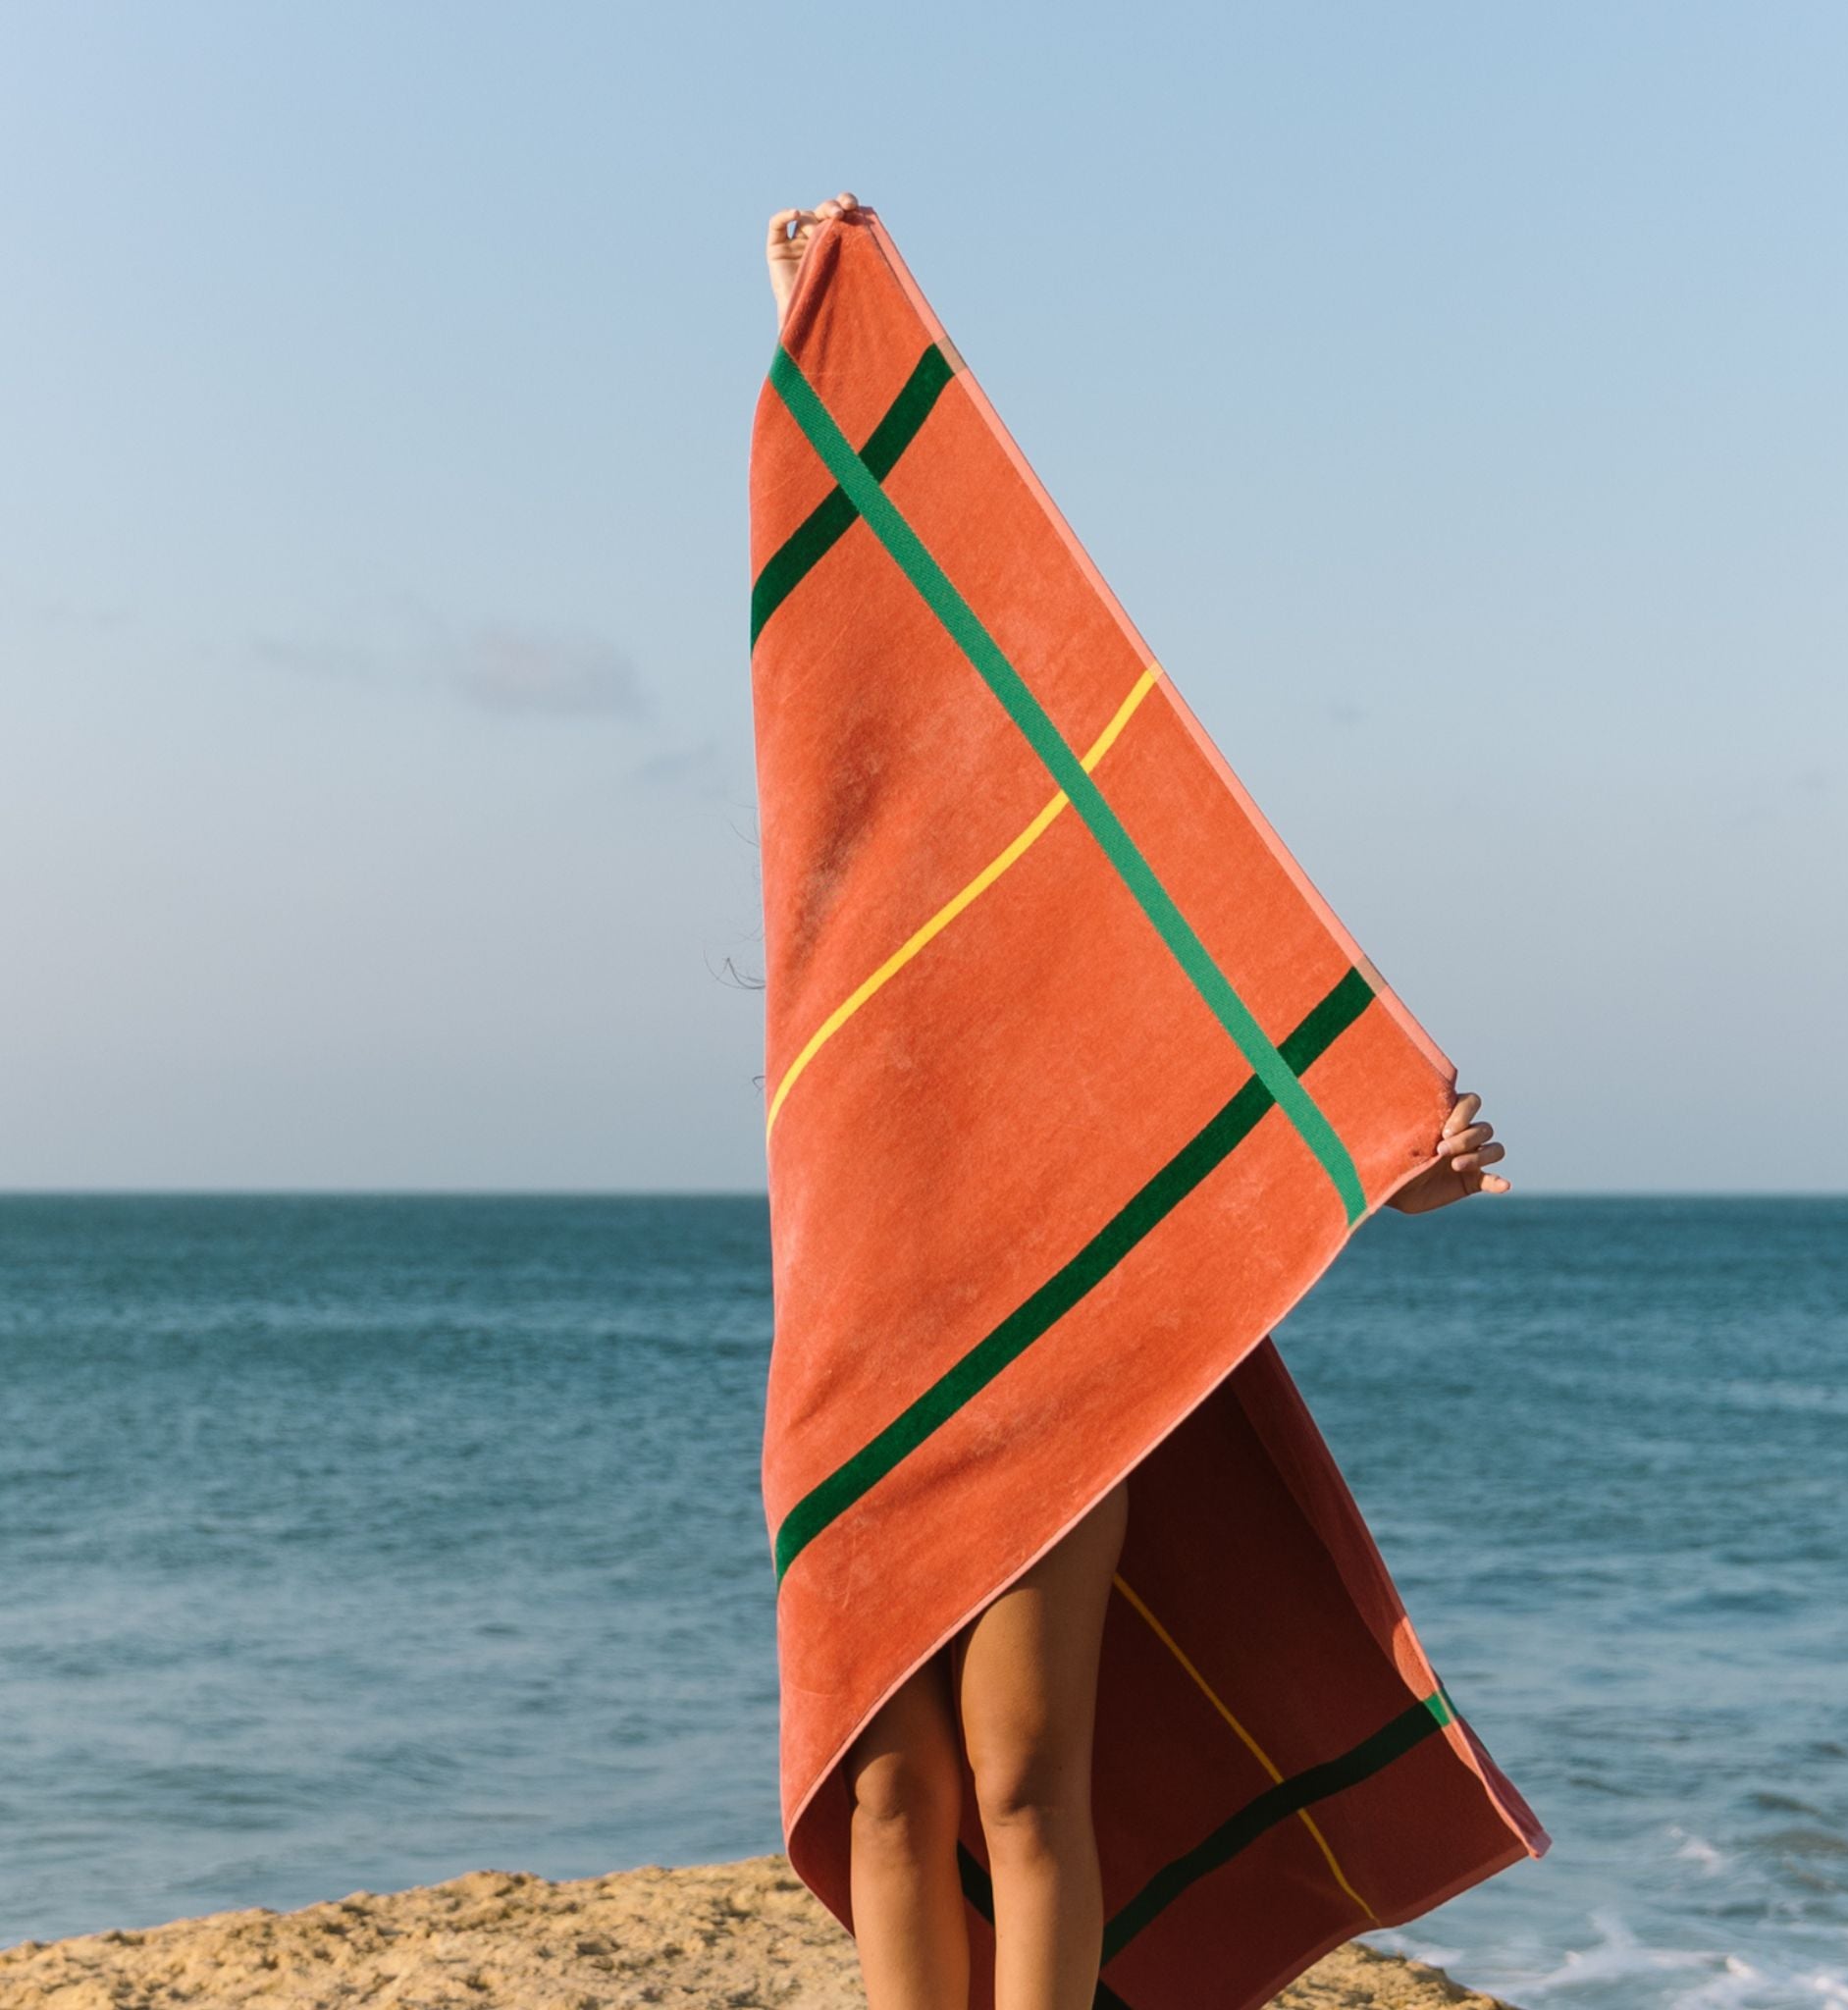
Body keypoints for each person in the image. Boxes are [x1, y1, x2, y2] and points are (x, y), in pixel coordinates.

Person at [761, 191, 1513, 2010]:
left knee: (1021, 1781)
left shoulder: (1061, 885)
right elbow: (849, 611)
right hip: (860, 1341)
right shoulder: (844, 888)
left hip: (1052, 1344)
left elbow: (1185, 1019)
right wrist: (807, 334)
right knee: (886, 1785)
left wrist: (1358, 1162)